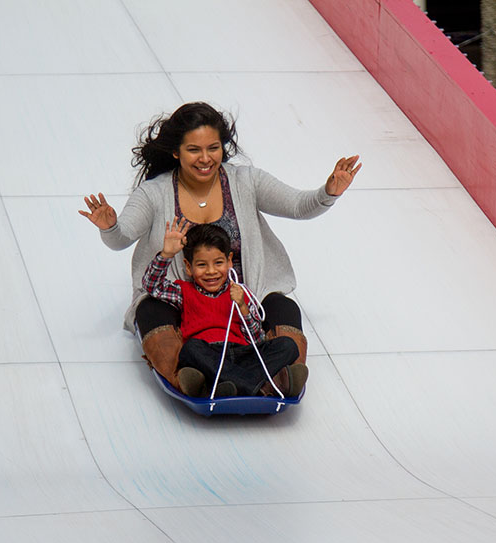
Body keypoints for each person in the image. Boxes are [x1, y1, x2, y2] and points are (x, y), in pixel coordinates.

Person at [78, 101, 360, 390]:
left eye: (213, 148)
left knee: (285, 309)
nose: (205, 158)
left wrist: (328, 192)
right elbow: (121, 238)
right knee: (150, 310)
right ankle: (192, 379)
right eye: (194, 150)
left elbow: (299, 206)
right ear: (176, 152)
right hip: (183, 298)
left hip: (241, 297)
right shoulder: (154, 193)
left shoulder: (246, 181)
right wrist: (109, 227)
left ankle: (274, 378)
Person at [142, 222, 306, 398]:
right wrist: (166, 255)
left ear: (229, 261)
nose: (211, 271)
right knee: (190, 350)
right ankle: (258, 386)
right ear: (188, 267)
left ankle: (225, 385)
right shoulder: (183, 291)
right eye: (202, 265)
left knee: (288, 346)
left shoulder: (240, 293)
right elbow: (152, 286)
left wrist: (242, 306)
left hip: (244, 355)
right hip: (208, 355)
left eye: (218, 263)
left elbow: (258, 338)